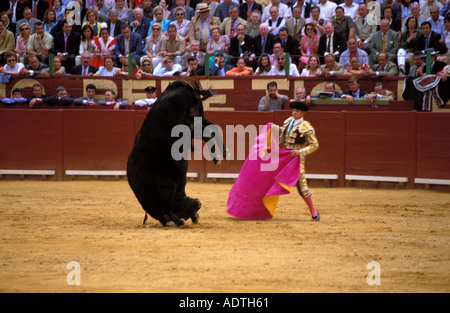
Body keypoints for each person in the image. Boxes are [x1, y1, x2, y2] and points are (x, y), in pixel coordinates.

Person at [271, 101, 320, 221]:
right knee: (270, 178)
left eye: (297, 111)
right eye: (293, 110)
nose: (294, 113)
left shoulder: (306, 127)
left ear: (303, 112)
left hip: (296, 158)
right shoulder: (289, 121)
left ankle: (313, 210)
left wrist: (300, 151)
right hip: (285, 156)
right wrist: (272, 128)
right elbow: (282, 131)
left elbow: (315, 145)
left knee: (301, 186)